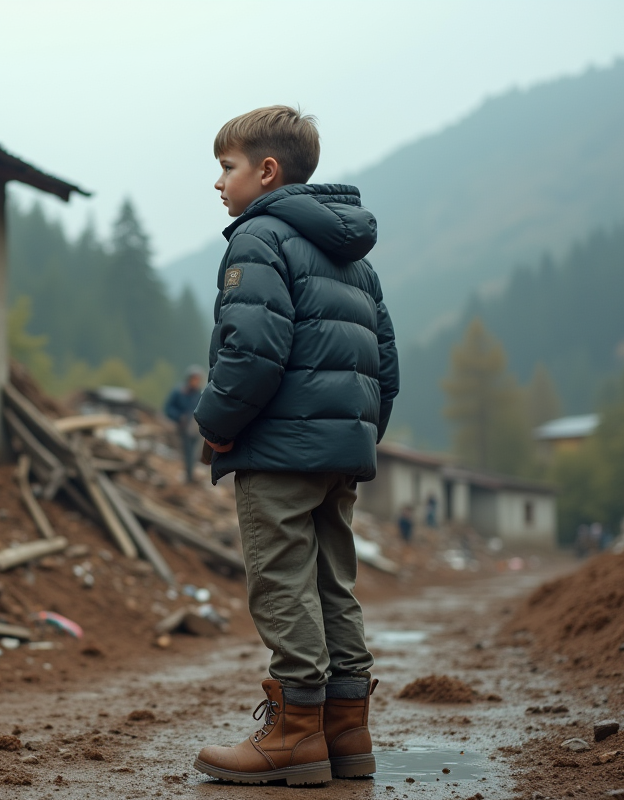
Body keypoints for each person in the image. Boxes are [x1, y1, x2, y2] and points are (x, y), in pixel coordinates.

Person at [190, 106, 399, 786]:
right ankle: (347, 731)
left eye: (227, 167)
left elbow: (251, 349)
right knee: (332, 583)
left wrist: (216, 423)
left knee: (282, 582)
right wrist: (359, 435)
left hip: (277, 448)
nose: (219, 183)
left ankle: (294, 734)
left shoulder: (260, 239)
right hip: (341, 450)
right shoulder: (353, 258)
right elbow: (385, 364)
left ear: (267, 171)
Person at [164, 366, 205, 483]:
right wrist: (179, 417)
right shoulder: (179, 392)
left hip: (196, 429)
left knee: (194, 453)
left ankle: (190, 475)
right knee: (187, 452)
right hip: (183, 428)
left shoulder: (200, 395)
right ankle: (189, 475)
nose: (196, 382)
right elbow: (168, 408)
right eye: (194, 379)